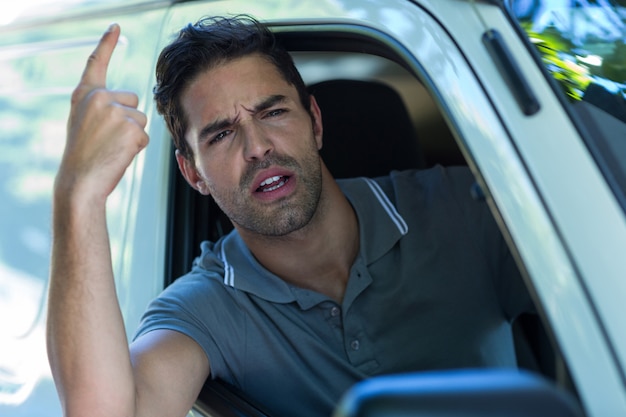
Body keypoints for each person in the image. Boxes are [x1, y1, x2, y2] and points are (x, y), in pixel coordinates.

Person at [47, 15, 534, 417]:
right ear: (193, 174)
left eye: (274, 112)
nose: (258, 147)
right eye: (221, 135)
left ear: (316, 122)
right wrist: (78, 195)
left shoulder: (461, 210)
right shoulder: (205, 310)